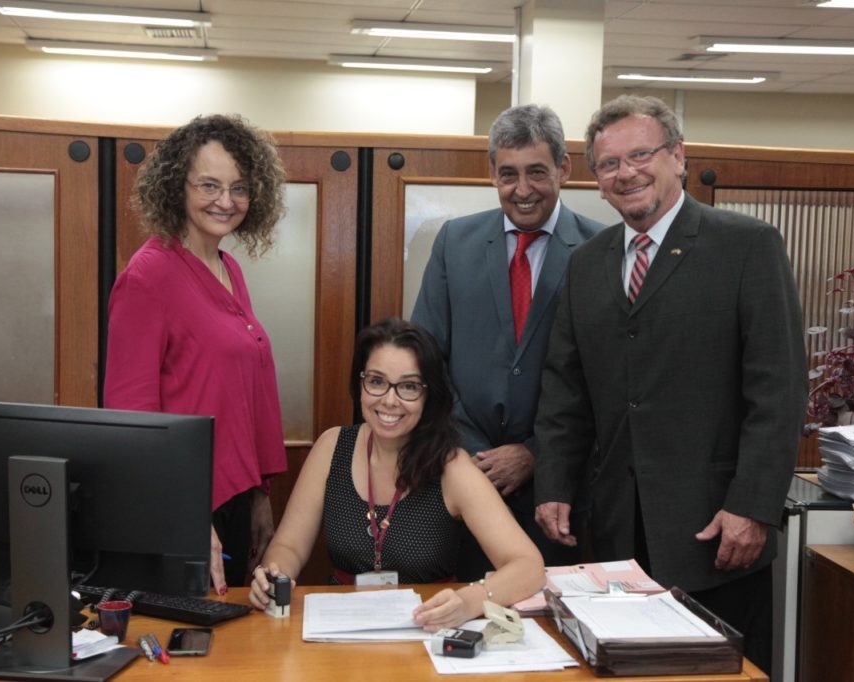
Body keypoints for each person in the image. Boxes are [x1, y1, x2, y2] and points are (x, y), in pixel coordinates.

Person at [533, 95, 807, 674]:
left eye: (641, 154)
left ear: (677, 156)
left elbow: (777, 392)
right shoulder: (587, 264)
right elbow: (566, 388)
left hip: (715, 533)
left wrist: (752, 507)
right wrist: (554, 481)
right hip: (614, 535)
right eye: (609, 164)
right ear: (597, 182)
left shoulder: (746, 247)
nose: (626, 172)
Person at [248, 318, 545, 630]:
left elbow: (528, 565)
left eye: (408, 387)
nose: (389, 400)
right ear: (359, 384)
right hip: (337, 630)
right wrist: (274, 574)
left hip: (427, 629)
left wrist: (471, 601)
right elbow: (289, 546)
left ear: (429, 395)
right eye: (376, 381)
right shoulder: (332, 447)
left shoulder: (451, 466)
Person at [411, 104, 602, 581]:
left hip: (559, 497)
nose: (522, 190)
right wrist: (470, 455)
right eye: (508, 174)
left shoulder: (601, 251)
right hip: (462, 483)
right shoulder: (455, 241)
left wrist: (535, 453)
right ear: (491, 172)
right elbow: (425, 360)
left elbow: (607, 381)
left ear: (563, 168)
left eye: (537, 172)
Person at [104, 113, 288, 595]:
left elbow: (243, 394)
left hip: (230, 500)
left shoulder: (228, 269)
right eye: (209, 185)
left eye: (240, 187)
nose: (225, 201)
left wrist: (259, 496)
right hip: (176, 505)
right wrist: (188, 520)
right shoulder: (148, 277)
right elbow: (131, 419)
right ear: (176, 188)